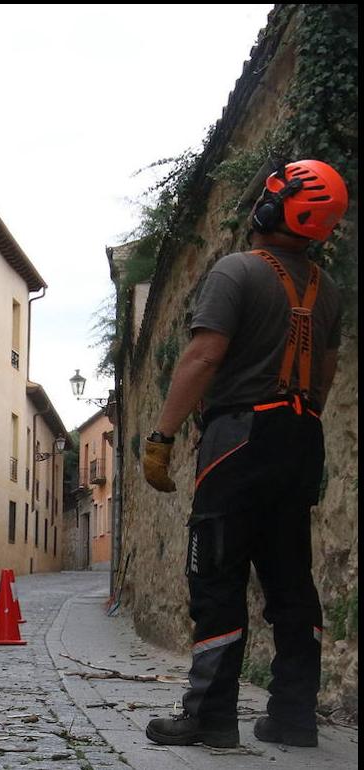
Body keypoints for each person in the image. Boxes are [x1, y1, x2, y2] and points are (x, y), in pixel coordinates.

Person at [142, 159, 348, 749]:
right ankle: (293, 716)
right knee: (290, 579)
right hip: (302, 436)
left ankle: (209, 715)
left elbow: (204, 357)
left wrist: (161, 436)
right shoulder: (326, 290)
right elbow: (324, 376)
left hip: (239, 437)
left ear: (274, 208)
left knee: (216, 573)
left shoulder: (235, 272)